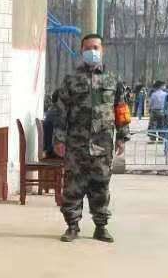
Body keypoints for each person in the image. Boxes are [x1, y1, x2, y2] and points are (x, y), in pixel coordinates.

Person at [51, 33, 131, 243]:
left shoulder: (113, 80)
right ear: (81, 51)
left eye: (96, 47)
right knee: (73, 186)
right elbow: (60, 112)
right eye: (87, 48)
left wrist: (122, 136)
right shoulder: (71, 80)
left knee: (101, 186)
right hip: (76, 144)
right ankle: (72, 226)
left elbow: (121, 109)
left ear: (102, 50)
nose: (92, 51)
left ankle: (101, 227)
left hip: (102, 145)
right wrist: (59, 139)